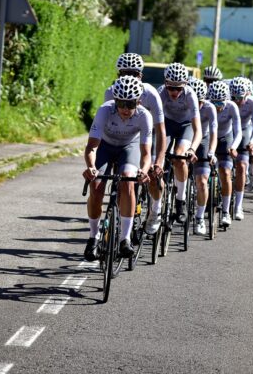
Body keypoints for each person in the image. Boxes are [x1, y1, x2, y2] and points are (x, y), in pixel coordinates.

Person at [83, 76, 152, 261]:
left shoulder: (144, 116)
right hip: (105, 146)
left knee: (128, 180)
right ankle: (93, 237)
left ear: (138, 102)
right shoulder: (105, 110)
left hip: (129, 148)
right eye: (121, 103)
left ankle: (125, 238)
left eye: (130, 104)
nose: (125, 109)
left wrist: (144, 170)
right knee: (96, 186)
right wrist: (91, 167)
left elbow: (146, 153)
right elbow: (92, 147)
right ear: (115, 100)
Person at [104, 53, 166, 237]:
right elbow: (107, 123)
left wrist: (159, 161)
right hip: (123, 138)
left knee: (154, 174)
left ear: (141, 75)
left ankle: (155, 209)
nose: (129, 77)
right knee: (121, 178)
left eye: (134, 73)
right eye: (124, 73)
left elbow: (160, 131)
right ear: (118, 75)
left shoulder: (151, 94)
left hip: (147, 137)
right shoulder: (111, 92)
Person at [158, 62, 202, 226]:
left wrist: (192, 149)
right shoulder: (160, 93)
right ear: (165, 84)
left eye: (178, 88)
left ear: (185, 85)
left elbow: (198, 129)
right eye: (171, 87)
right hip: (167, 124)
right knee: (159, 158)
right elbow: (152, 123)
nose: (174, 92)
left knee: (180, 157)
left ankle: (180, 200)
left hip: (185, 126)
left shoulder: (190, 95)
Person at [209, 81, 243, 223]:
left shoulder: (232, 107)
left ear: (227, 99)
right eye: (214, 103)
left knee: (225, 172)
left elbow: (238, 131)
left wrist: (234, 147)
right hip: (209, 137)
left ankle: (225, 211)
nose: (217, 108)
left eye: (220, 104)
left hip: (225, 139)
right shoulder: (206, 106)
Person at [231, 76, 253, 225]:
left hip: (244, 129)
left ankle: (238, 206)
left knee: (242, 166)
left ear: (247, 95)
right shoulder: (227, 99)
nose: (236, 101)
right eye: (233, 97)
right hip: (228, 129)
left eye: (239, 98)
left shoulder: (252, 102)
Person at [190, 78, 217, 236]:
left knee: (202, 181)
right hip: (186, 137)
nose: (197, 106)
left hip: (203, 140)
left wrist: (211, 152)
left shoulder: (209, 108)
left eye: (200, 102)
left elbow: (214, 132)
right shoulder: (182, 104)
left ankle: (200, 217)